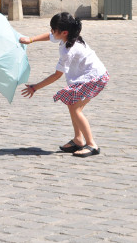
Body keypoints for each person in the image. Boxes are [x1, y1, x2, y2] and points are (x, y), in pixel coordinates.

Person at [19, 12, 109, 158]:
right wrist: (31, 39)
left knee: (75, 108)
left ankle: (92, 145)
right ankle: (78, 139)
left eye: (54, 29)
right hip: (88, 76)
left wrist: (35, 87)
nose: (52, 32)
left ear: (64, 32)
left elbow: (56, 75)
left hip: (95, 77)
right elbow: (49, 36)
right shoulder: (68, 36)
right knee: (72, 104)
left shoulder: (69, 50)